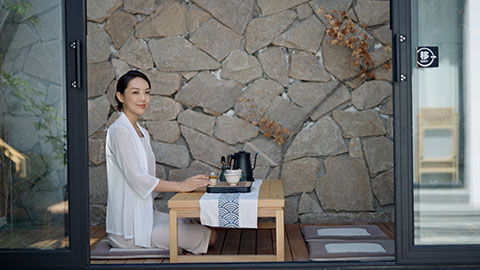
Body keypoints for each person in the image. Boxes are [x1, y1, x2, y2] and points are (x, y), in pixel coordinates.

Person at [105, 70, 217, 254]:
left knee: (203, 223)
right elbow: (139, 180)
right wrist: (181, 186)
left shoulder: (141, 131)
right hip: (130, 231)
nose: (143, 98)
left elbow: (145, 177)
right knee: (211, 236)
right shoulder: (119, 131)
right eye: (135, 92)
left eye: (147, 92)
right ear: (120, 96)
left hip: (148, 216)